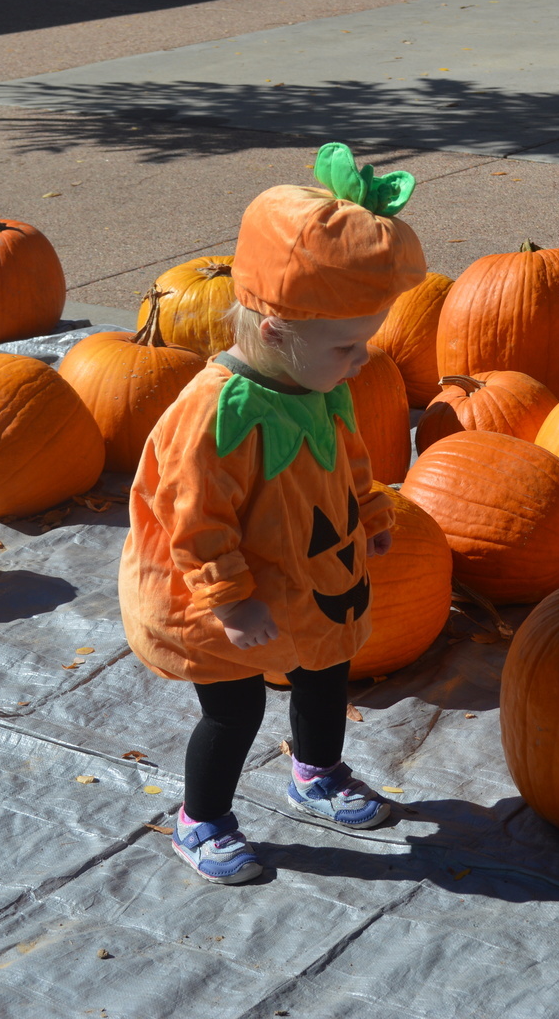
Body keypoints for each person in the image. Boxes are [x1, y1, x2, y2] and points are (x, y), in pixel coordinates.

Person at [119, 143, 427, 884]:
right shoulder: (218, 415)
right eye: (349, 346)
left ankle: (315, 772)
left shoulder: (320, 384)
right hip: (221, 596)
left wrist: (371, 510)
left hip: (308, 572)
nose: (362, 361)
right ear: (277, 332)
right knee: (234, 710)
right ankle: (201, 822)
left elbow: (348, 456)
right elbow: (193, 518)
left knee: (327, 669)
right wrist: (231, 598)